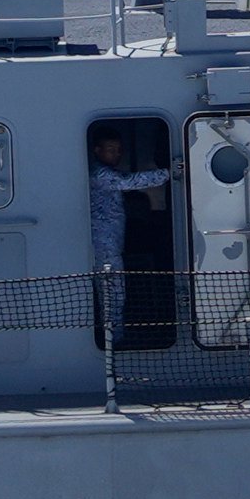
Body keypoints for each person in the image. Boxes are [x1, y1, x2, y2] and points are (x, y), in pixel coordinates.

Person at [87, 126, 169, 346]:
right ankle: (114, 342)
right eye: (111, 149)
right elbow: (127, 182)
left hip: (111, 244)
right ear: (97, 150)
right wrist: (170, 173)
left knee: (113, 294)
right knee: (112, 295)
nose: (117, 154)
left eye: (119, 150)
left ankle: (113, 339)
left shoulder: (101, 172)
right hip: (104, 247)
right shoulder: (99, 174)